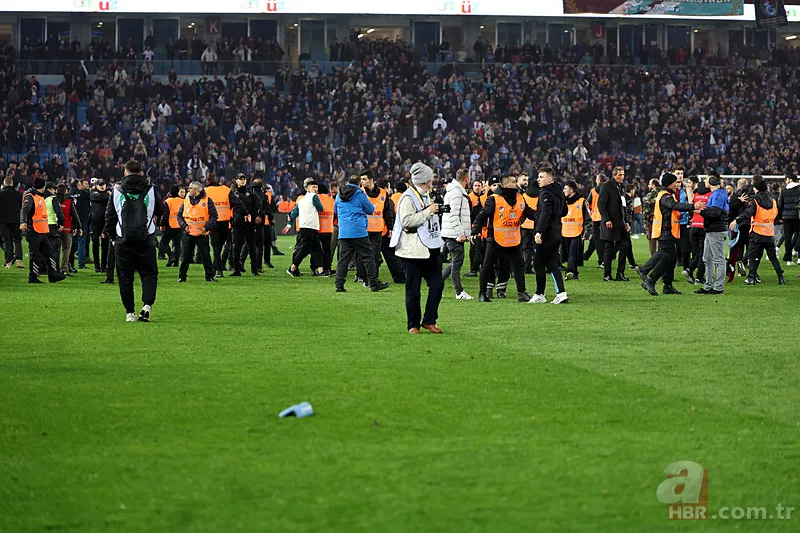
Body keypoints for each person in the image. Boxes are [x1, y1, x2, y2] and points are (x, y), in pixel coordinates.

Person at [390, 162, 445, 334]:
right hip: (412, 250)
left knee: (437, 285)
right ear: (425, 180)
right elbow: (406, 221)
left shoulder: (427, 195)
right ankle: (413, 324)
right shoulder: (407, 198)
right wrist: (429, 212)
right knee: (413, 290)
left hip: (430, 248)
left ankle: (429, 320)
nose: (433, 180)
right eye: (431, 178)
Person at [104, 160, 161, 322]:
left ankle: (130, 313)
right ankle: (147, 305)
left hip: (123, 241)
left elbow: (109, 217)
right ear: (141, 172)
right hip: (146, 239)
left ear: (125, 173)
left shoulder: (117, 192)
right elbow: (161, 210)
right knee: (149, 275)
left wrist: (113, 238)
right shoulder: (151, 190)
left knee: (125, 278)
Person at [471, 174, 536, 303]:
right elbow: (481, 216)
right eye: (513, 181)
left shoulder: (520, 198)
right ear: (506, 185)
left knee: (519, 266)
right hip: (495, 238)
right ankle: (482, 293)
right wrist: (475, 231)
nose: (515, 183)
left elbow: (530, 213)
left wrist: (544, 220)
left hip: (513, 239)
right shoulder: (494, 199)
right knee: (487, 265)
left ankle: (521, 292)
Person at [638, 173, 703, 296]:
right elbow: (675, 206)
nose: (677, 185)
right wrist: (693, 206)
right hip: (665, 231)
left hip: (667, 231)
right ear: (670, 183)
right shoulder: (665, 196)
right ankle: (649, 277)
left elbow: (673, 209)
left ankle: (666, 285)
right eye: (675, 182)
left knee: (671, 258)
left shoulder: (666, 195)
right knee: (667, 255)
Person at [333, 171, 389, 293]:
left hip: (344, 232)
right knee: (368, 257)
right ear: (359, 184)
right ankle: (373, 283)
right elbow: (370, 209)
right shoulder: (360, 194)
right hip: (358, 231)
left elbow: (335, 211)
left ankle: (339, 285)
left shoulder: (339, 195)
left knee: (343, 260)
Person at [733, 178, 786, 286]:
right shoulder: (773, 201)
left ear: (756, 189)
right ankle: (781, 277)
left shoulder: (755, 201)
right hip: (769, 233)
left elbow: (748, 213)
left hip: (757, 232)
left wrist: (737, 220)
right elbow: (776, 213)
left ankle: (751, 277)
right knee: (773, 257)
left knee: (752, 256)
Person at [357, 170, 403, 285]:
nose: (362, 182)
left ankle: (371, 279)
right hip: (363, 229)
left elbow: (388, 212)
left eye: (364, 179)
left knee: (375, 255)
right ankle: (364, 277)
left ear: (371, 180)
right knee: (364, 255)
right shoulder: (360, 192)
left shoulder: (383, 193)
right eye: (361, 179)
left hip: (378, 230)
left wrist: (390, 228)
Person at [530, 167, 569, 304]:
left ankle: (540, 293)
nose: (538, 180)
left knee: (538, 263)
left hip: (546, 235)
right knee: (552, 264)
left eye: (541, 177)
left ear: (550, 179)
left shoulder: (545, 193)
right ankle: (561, 292)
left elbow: (545, 213)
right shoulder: (559, 192)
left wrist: (539, 231)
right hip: (557, 232)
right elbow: (565, 211)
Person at [20, 177, 66, 283]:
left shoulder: (39, 196)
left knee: (49, 253)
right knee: (35, 255)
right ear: (43, 186)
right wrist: (23, 222)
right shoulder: (31, 197)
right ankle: (33, 277)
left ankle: (53, 274)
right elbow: (24, 210)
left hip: (42, 230)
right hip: (34, 230)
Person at [283, 178, 326, 278]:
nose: (315, 189)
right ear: (307, 188)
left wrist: (289, 224)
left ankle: (321, 271)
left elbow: (293, 213)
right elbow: (320, 208)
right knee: (305, 249)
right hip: (310, 226)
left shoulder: (301, 200)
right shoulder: (314, 197)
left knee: (317, 249)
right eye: (313, 187)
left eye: (316, 187)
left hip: (305, 227)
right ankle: (292, 268)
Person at [694, 174, 729, 295]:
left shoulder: (718, 194)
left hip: (716, 230)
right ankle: (708, 286)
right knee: (707, 258)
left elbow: (715, 213)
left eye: (706, 179)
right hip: (711, 230)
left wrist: (702, 212)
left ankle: (718, 287)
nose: (704, 181)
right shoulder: (717, 193)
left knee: (718, 259)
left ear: (712, 181)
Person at [441, 169, 473, 300]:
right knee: (457, 262)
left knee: (456, 261)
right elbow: (453, 215)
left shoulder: (454, 191)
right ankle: (459, 292)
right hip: (454, 234)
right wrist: (460, 233)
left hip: (450, 232)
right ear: (467, 179)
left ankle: (437, 284)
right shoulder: (456, 193)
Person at [177, 181, 218, 283]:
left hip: (202, 233)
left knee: (206, 256)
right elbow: (179, 216)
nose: (188, 190)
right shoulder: (186, 201)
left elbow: (214, 215)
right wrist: (184, 226)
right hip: (188, 233)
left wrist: (206, 228)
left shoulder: (207, 201)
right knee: (185, 256)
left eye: (191, 188)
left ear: (197, 190)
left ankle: (209, 276)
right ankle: (182, 277)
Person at [598, 166, 631, 282]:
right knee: (609, 249)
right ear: (613, 175)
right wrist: (606, 219)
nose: (621, 177)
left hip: (620, 223)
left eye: (622, 175)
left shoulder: (622, 187)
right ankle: (607, 275)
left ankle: (620, 273)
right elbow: (601, 205)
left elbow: (623, 206)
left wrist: (627, 221)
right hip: (610, 223)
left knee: (624, 246)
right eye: (619, 175)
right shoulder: (606, 186)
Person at [229, 174, 261, 277]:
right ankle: (236, 270)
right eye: (240, 179)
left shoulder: (250, 192)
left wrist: (253, 215)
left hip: (249, 224)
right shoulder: (233, 192)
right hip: (238, 223)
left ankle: (254, 270)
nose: (243, 181)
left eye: (244, 179)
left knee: (251, 247)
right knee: (236, 247)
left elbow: (258, 205)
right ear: (237, 181)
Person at [682, 178, 711, 285]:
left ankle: (689, 270)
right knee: (704, 253)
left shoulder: (696, 195)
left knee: (696, 253)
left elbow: (691, 207)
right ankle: (699, 277)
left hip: (694, 226)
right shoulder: (710, 195)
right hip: (704, 226)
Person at [561, 181, 590, 281]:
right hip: (564, 232)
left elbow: (588, 218)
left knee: (573, 253)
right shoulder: (563, 202)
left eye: (565, 188)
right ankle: (575, 273)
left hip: (577, 231)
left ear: (572, 190)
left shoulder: (582, 201)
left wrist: (587, 232)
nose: (564, 190)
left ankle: (570, 271)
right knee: (569, 254)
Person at [205, 174, 232, 278]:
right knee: (219, 247)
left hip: (214, 222)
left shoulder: (206, 191)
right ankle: (215, 266)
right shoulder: (226, 189)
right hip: (225, 222)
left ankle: (218, 270)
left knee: (216, 248)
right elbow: (235, 202)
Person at [56, 184, 82, 275]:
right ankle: (63, 269)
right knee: (66, 249)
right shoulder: (69, 201)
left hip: (55, 228)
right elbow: (74, 215)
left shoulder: (53, 200)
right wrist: (79, 227)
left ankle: (54, 268)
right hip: (67, 228)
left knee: (55, 249)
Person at [584, 173, 607, 268]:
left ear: (598, 180)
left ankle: (601, 261)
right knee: (604, 240)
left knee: (598, 241)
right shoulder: (608, 189)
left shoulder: (593, 191)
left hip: (595, 218)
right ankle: (586, 256)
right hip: (606, 218)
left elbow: (587, 204)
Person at [0, 174, 23, 268]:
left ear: (4, 184)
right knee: (17, 240)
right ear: (12, 184)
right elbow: (22, 208)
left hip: (3, 221)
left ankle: (8, 262)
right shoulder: (18, 194)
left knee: (7, 241)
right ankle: (19, 261)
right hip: (16, 220)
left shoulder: (0, 193)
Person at [159, 186, 185, 267]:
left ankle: (171, 256)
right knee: (177, 245)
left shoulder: (168, 201)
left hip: (170, 225)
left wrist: (161, 224)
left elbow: (165, 215)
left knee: (164, 242)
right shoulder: (183, 201)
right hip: (180, 226)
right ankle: (176, 262)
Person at [68, 178, 90, 270]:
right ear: (78, 185)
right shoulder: (83, 193)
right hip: (82, 219)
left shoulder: (69, 194)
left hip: (71, 220)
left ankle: (69, 260)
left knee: (72, 240)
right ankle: (81, 263)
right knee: (81, 241)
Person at [778, 173, 800, 266]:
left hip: (786, 218)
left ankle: (788, 259)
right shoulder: (799, 190)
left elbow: (780, 205)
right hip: (797, 217)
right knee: (798, 236)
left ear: (790, 180)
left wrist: (780, 216)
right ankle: (798, 256)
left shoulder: (783, 191)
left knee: (787, 238)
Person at [90, 179, 110, 273]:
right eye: (100, 185)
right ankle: (97, 265)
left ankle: (103, 265)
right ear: (96, 186)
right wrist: (107, 195)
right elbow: (98, 197)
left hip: (105, 223)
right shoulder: (93, 193)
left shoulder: (106, 194)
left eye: (103, 184)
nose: (102, 186)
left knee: (105, 245)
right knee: (95, 244)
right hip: (94, 223)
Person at [520, 175, 539, 274]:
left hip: (524, 225)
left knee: (526, 248)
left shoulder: (523, 196)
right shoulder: (540, 196)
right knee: (537, 248)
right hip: (535, 225)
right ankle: (539, 266)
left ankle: (527, 267)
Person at [316, 183, 335, 275]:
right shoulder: (331, 200)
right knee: (327, 250)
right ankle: (327, 268)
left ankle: (316, 268)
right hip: (328, 229)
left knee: (316, 250)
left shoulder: (315, 198)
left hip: (317, 228)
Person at [643, 179, 660, 257]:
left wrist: (645, 222)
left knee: (652, 240)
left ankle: (653, 257)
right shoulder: (663, 193)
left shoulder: (650, 195)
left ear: (653, 185)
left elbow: (646, 209)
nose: (648, 186)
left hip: (652, 221)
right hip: (662, 220)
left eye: (649, 184)